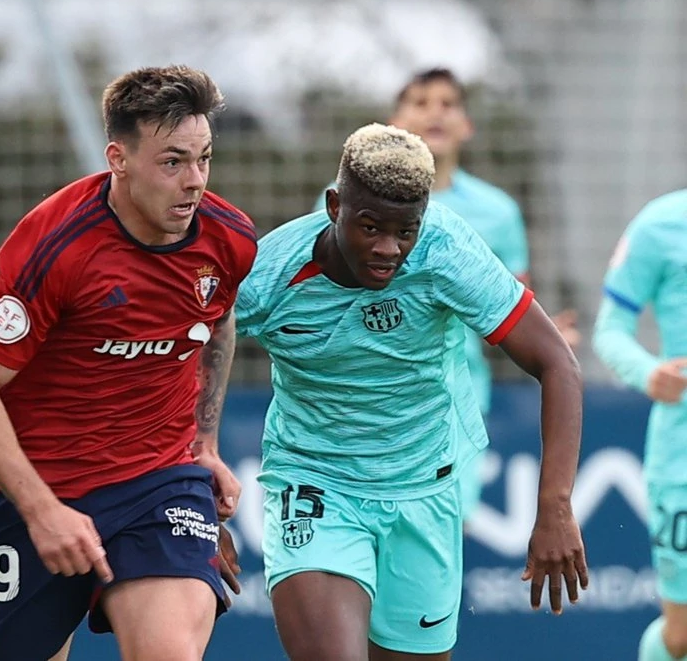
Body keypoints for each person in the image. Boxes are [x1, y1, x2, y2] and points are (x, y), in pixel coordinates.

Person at [0, 65, 255, 661]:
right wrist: (42, 510)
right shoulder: (56, 247)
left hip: (157, 481)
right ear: (119, 158)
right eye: (172, 162)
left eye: (204, 158)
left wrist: (204, 445)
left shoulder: (228, 237)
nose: (194, 182)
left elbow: (217, 318)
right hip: (36, 492)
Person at [237, 123, 588, 660]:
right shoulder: (268, 275)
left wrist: (556, 505)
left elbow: (557, 363)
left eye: (406, 231)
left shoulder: (446, 250)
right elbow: (185, 357)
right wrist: (191, 481)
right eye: (370, 226)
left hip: (425, 489)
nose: (387, 249)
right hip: (315, 484)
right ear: (335, 206)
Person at [314, 68, 579, 520]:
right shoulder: (344, 201)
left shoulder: (498, 212)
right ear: (393, 123)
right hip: (359, 397)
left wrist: (547, 335)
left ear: (467, 126)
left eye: (447, 103)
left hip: (453, 399)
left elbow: (512, 298)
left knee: (438, 532)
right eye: (420, 102)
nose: (435, 112)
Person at [592, 190, 687, 661]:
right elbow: (609, 330)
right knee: (682, 637)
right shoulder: (661, 224)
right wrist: (648, 373)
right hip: (681, 454)